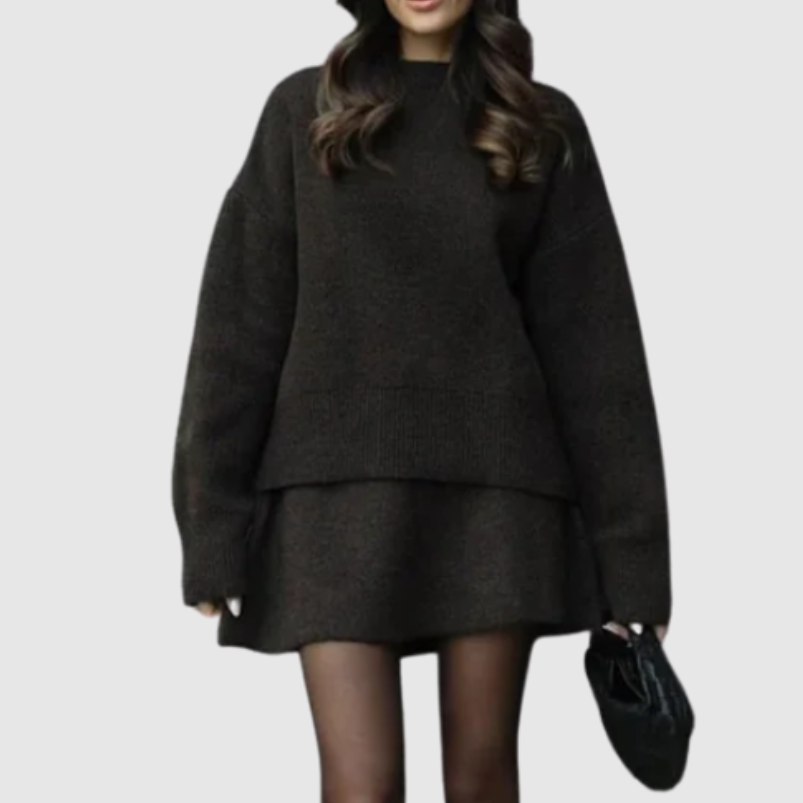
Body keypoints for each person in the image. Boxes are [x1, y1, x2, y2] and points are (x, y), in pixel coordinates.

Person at [170, 0, 672, 800]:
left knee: (480, 779)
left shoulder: (538, 123)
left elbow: (596, 356)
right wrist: (212, 527)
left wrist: (636, 566)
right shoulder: (303, 110)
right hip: (330, 500)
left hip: (497, 500)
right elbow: (237, 328)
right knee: (360, 784)